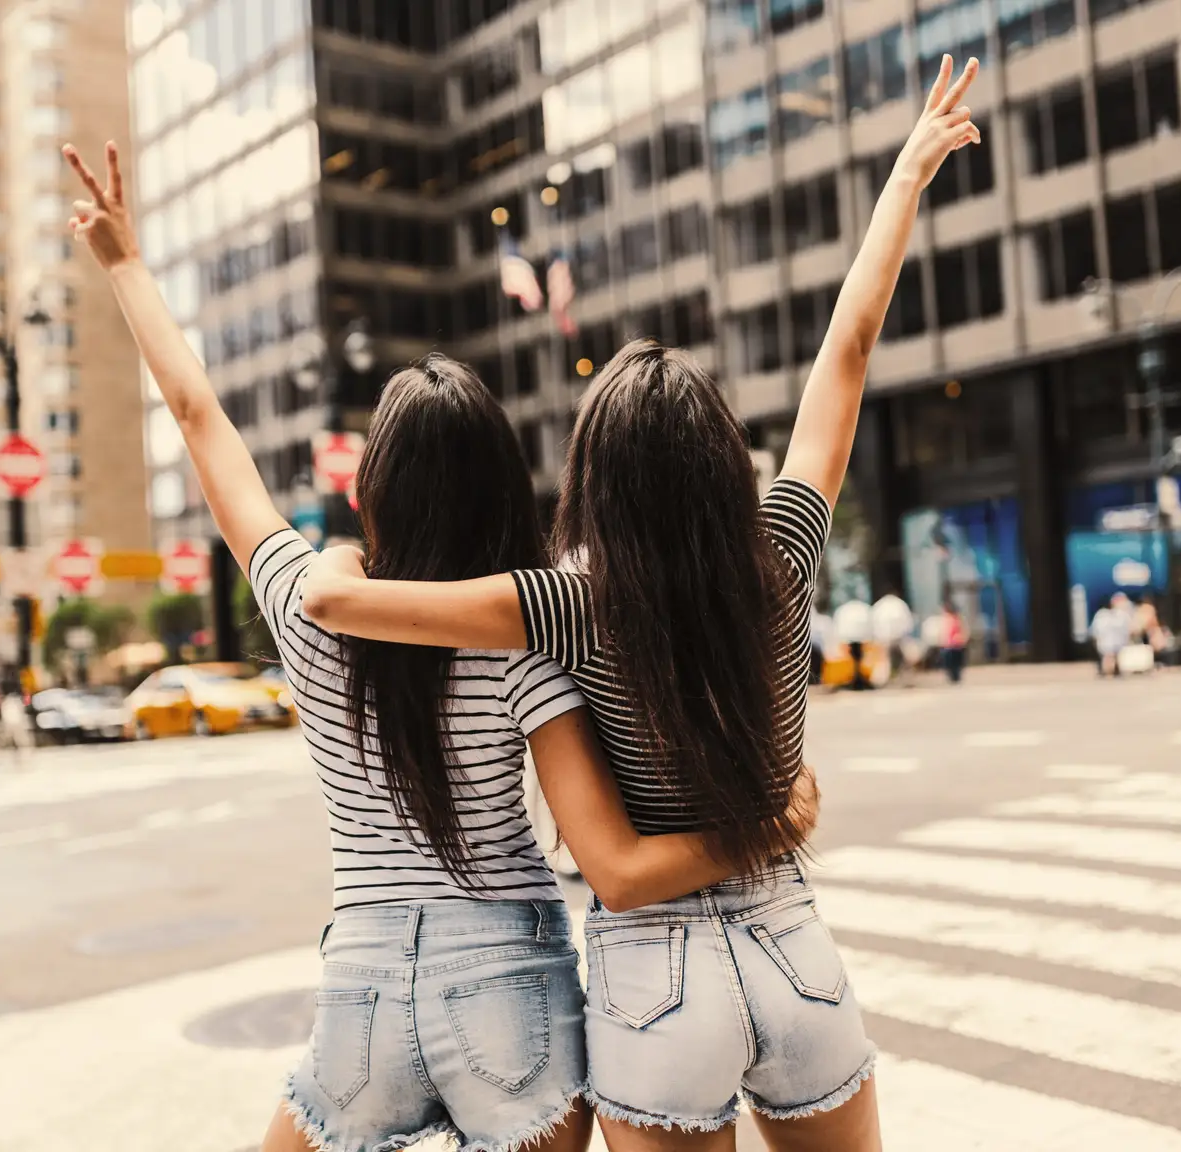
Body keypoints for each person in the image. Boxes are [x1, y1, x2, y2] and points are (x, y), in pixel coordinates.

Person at [61, 142, 817, 1152]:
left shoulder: (307, 607)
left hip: (363, 988)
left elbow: (201, 419)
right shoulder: (529, 637)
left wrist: (124, 263)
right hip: (516, 987)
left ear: (368, 491)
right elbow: (601, 833)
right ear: (508, 497)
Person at [297, 56, 982, 1151]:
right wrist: (903, 181)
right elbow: (845, 356)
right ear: (722, 461)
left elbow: (361, 608)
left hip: (651, 979)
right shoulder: (784, 553)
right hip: (791, 944)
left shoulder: (567, 603)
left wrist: (331, 571)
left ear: (591, 481)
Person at [1091, 593, 1132, 677]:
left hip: (1115, 644)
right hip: (1106, 644)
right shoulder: (1101, 615)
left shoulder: (1122, 615)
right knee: (1108, 654)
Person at [939, 601, 967, 684]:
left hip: (955, 644)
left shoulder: (956, 619)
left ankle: (955, 675)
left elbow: (963, 630)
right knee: (951, 662)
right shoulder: (948, 619)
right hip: (950, 644)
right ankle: (953, 676)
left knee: (955, 662)